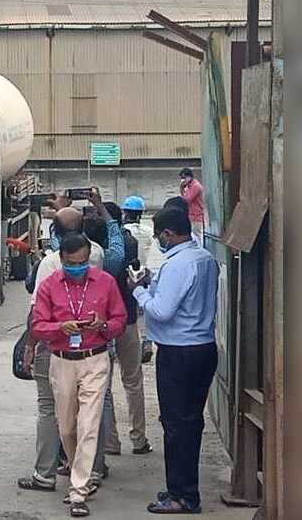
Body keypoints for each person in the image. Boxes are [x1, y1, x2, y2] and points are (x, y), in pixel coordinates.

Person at [130, 207, 219, 514]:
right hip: (202, 347)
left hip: (179, 352)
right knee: (190, 422)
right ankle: (182, 487)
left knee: (176, 424)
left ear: (167, 234)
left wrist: (139, 291)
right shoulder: (203, 258)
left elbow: (162, 310)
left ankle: (182, 495)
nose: (158, 241)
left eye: (159, 237)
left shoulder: (179, 264)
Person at [32, 233, 127, 518]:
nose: (80, 267)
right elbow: (38, 325)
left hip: (95, 358)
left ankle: (78, 492)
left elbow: (120, 320)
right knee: (67, 428)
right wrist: (60, 328)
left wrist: (104, 326)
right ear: (62, 260)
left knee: (88, 424)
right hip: (62, 361)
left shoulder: (105, 282)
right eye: (74, 263)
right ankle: (79, 474)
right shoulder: (49, 285)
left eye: (84, 262)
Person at [102, 202, 152, 457]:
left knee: (103, 386)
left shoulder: (94, 248)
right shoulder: (129, 242)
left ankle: (110, 442)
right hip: (129, 321)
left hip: (102, 327)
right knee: (132, 381)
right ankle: (138, 438)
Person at [122, 195, 156, 364]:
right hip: (144, 273)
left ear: (125, 212)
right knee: (143, 310)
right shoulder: (148, 231)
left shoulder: (123, 232)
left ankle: (122, 346)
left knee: (127, 310)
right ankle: (147, 342)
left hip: (127, 274)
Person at [178, 168, 206, 243]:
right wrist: (182, 189)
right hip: (190, 215)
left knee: (196, 236)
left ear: (189, 177)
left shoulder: (195, 186)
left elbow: (187, 199)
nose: (183, 180)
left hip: (196, 215)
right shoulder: (189, 186)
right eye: (182, 178)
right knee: (191, 236)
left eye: (184, 178)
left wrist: (182, 187)